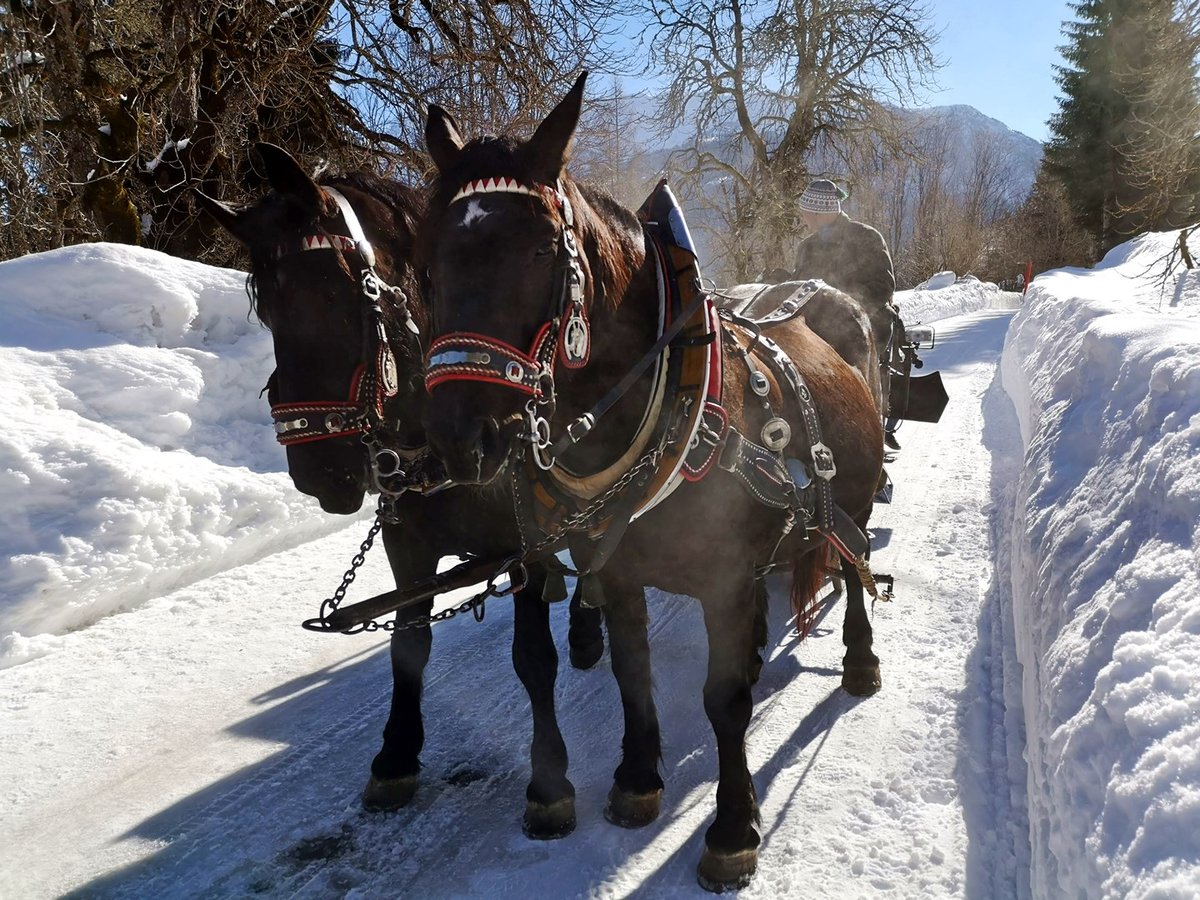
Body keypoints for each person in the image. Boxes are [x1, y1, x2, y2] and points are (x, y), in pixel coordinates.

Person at [792, 178, 903, 449]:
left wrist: (843, 305)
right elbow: (800, 288)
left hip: (865, 320)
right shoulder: (807, 247)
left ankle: (868, 433)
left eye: (807, 212)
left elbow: (883, 286)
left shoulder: (866, 237)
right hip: (818, 324)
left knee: (854, 364)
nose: (803, 217)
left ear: (820, 212)